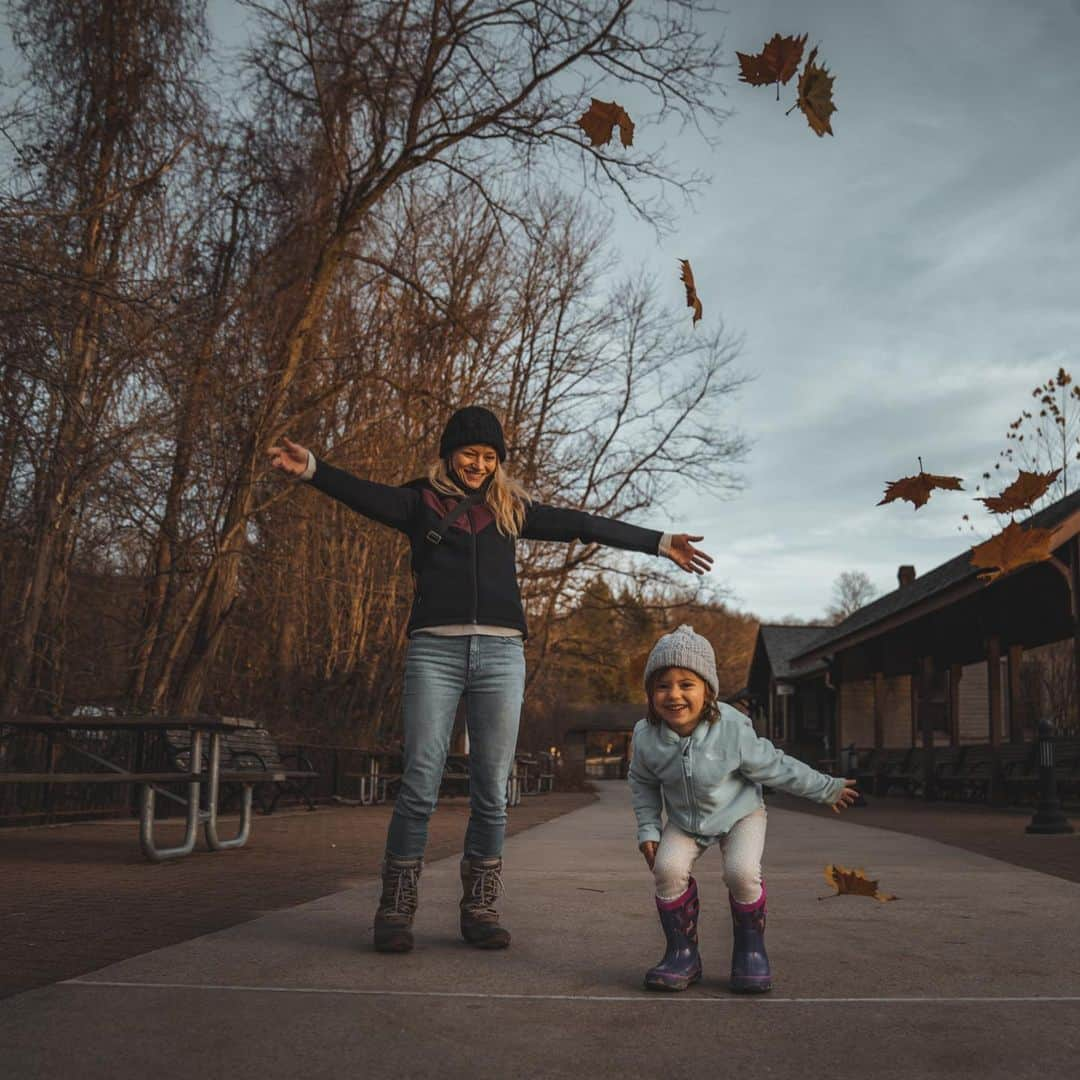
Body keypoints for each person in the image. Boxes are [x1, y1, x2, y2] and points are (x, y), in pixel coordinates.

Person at [267, 406, 712, 953]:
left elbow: (581, 523)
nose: (478, 464)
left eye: (488, 456)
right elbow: (363, 494)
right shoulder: (419, 502)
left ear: (497, 461)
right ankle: (396, 906)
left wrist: (659, 540)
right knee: (420, 780)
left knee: (493, 788)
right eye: (469, 454)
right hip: (435, 651)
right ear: (449, 454)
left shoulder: (510, 510)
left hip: (502, 656)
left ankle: (479, 906)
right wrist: (314, 467)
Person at [627, 624, 857, 993]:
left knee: (741, 872)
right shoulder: (646, 736)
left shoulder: (733, 729)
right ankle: (682, 954)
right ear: (650, 693)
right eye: (662, 685)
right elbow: (642, 782)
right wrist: (649, 829)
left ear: (708, 691)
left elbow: (778, 766)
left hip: (740, 814)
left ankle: (750, 952)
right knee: (667, 869)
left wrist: (826, 788)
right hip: (686, 820)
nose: (674, 695)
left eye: (687, 684)